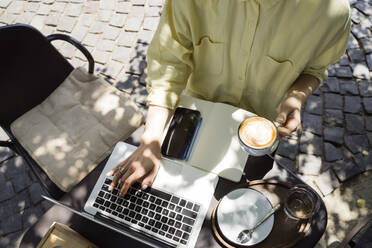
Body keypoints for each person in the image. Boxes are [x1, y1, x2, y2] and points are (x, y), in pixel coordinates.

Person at [108, 0, 351, 195]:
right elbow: (167, 65)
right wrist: (150, 142)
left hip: (261, 131)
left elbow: (316, 69)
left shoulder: (333, 12)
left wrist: (296, 98)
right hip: (194, 118)